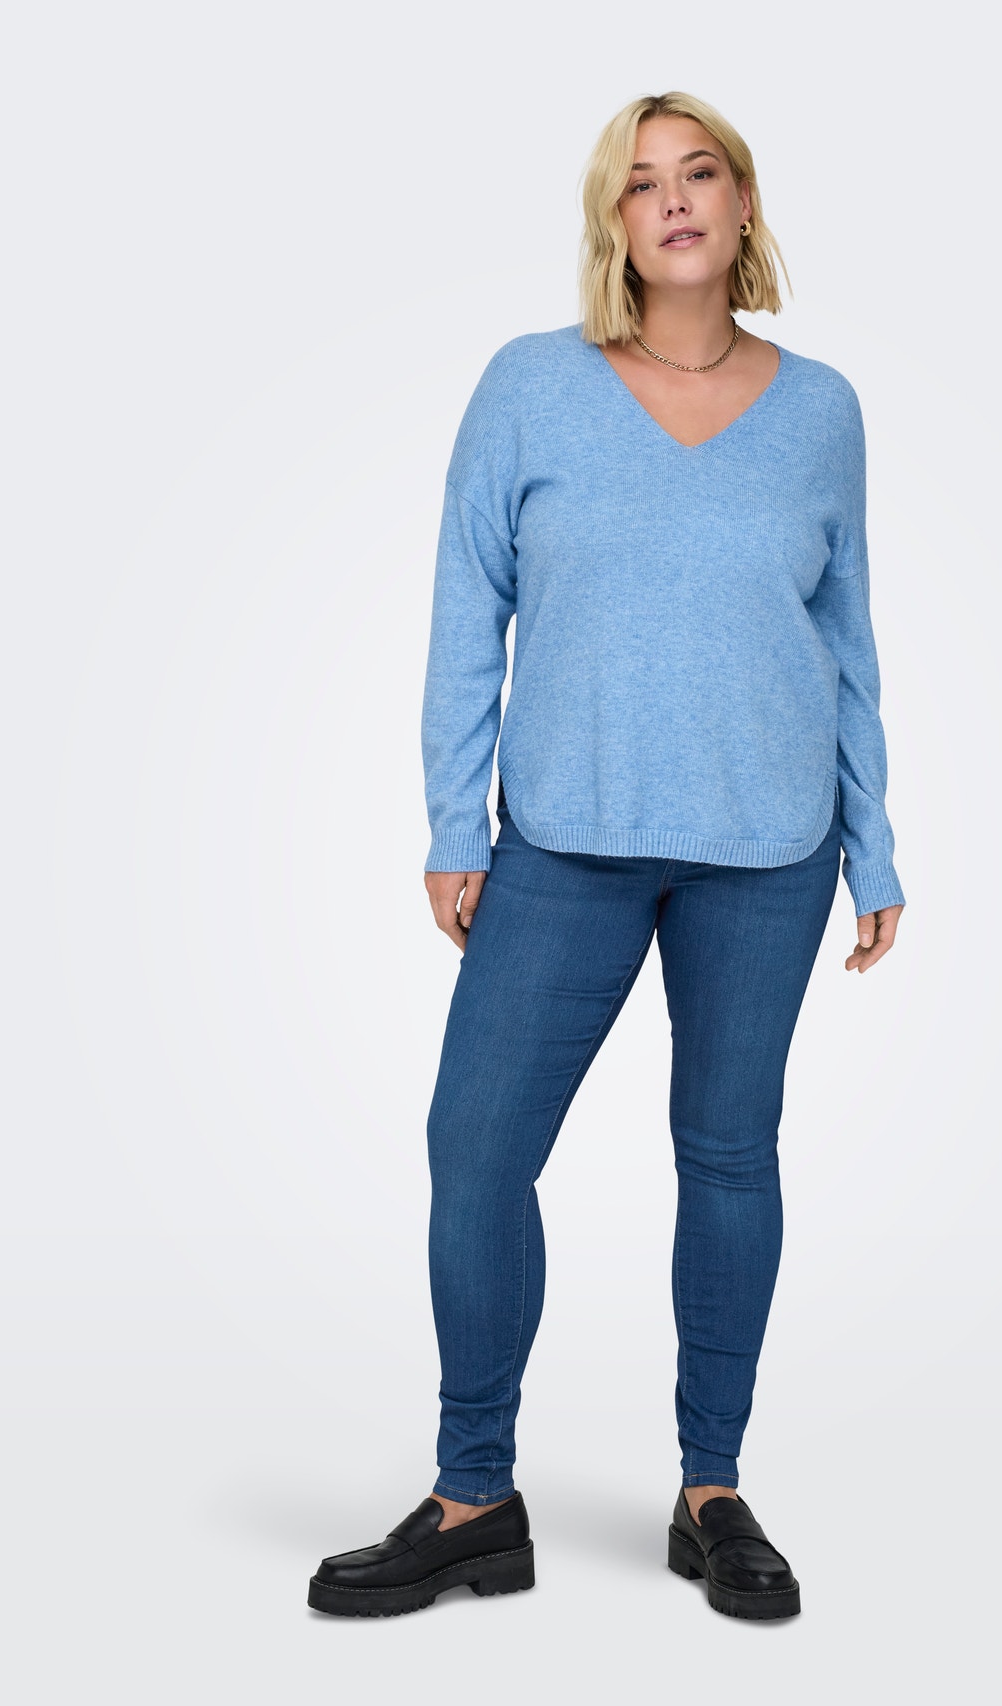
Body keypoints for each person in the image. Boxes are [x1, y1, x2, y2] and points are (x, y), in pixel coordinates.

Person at [308, 88, 906, 1624]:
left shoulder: (823, 409)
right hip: (563, 839)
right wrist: (453, 821)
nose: (676, 200)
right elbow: (468, 604)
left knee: (729, 1153)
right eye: (643, 184)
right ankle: (473, 1495)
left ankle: (713, 1491)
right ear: (614, 223)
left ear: (745, 204)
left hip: (768, 847)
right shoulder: (532, 386)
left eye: (702, 173)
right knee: (476, 1147)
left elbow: (845, 639)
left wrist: (876, 842)